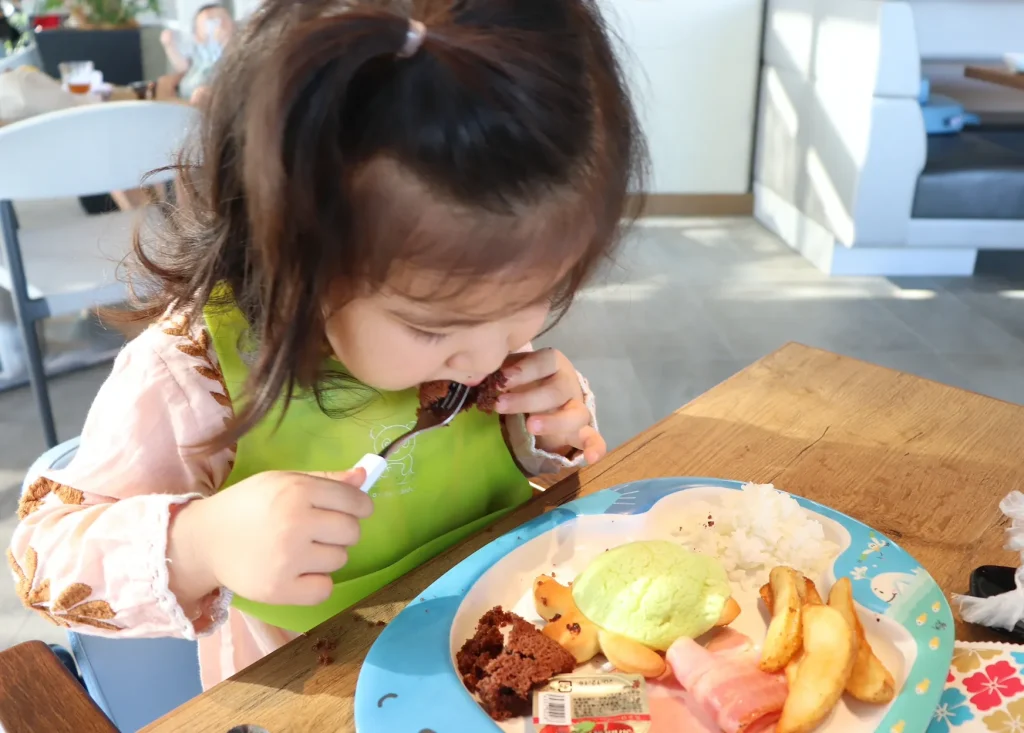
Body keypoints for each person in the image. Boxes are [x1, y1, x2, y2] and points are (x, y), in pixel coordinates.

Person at [7, 0, 644, 689]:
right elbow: (43, 562)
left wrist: (548, 429)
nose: (489, 355)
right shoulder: (193, 375)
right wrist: (202, 542)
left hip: (501, 653)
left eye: (533, 299)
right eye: (432, 327)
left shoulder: (474, 315)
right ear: (291, 262)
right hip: (315, 685)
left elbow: (538, 466)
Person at [160, 3, 234, 105]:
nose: (217, 26)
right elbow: (183, 68)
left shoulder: (233, 47)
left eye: (222, 21)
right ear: (196, 35)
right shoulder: (197, 51)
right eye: (209, 21)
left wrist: (226, 41)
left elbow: (233, 64)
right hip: (188, 91)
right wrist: (169, 45)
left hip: (218, 90)